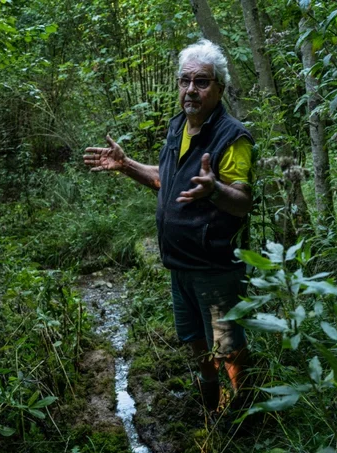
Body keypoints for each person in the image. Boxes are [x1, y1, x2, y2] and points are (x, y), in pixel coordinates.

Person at [84, 39, 253, 412]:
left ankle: (243, 414)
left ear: (219, 87)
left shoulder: (232, 136)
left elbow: (241, 202)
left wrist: (214, 190)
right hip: (179, 265)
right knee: (194, 340)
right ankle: (211, 404)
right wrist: (127, 165)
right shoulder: (180, 126)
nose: (191, 89)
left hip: (214, 268)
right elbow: (168, 178)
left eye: (202, 82)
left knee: (228, 348)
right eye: (184, 81)